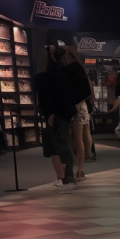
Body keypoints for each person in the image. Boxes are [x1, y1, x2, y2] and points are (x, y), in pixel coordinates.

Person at [34, 45, 77, 192]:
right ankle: (66, 178)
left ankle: (68, 179)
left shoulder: (48, 76)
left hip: (57, 114)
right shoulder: (60, 73)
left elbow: (48, 97)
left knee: (61, 146)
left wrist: (51, 114)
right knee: (60, 145)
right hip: (61, 113)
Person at [60, 45, 94, 180]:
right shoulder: (78, 68)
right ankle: (81, 167)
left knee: (78, 138)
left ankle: (79, 169)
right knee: (82, 135)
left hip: (76, 107)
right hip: (81, 105)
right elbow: (86, 90)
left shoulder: (69, 69)